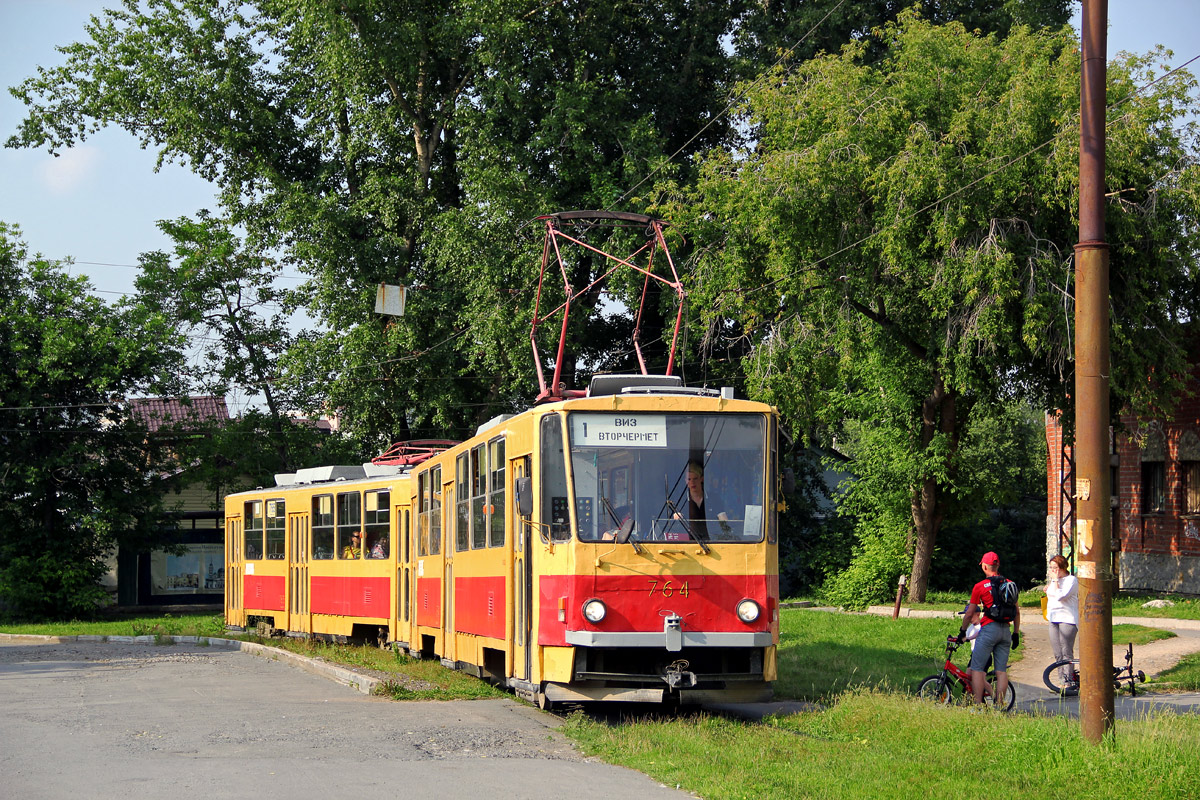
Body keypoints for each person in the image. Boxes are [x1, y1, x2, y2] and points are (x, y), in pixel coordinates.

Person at [957, 551, 1020, 706]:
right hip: (1006, 630)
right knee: (1001, 671)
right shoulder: (1009, 583)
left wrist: (963, 631)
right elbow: (1017, 611)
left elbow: (970, 612)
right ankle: (999, 707)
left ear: (984, 566)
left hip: (988, 629)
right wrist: (1016, 633)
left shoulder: (979, 586)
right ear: (998, 565)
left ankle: (978, 705)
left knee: (977, 669)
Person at [670, 461, 728, 541]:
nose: (692, 482)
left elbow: (724, 523)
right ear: (686, 481)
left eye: (695, 478)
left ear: (701, 479)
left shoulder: (714, 499)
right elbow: (675, 527)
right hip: (688, 543)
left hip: (713, 542)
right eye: (689, 479)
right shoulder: (680, 501)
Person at [1045, 554, 1079, 691]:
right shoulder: (1054, 581)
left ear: (1063, 567)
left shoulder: (1071, 580)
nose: (1053, 571)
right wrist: (1051, 585)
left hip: (1067, 619)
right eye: (1051, 568)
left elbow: (1060, 596)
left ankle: (1069, 681)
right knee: (1057, 652)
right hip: (1053, 618)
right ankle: (1061, 680)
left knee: (1066, 651)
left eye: (1055, 568)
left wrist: (1054, 582)